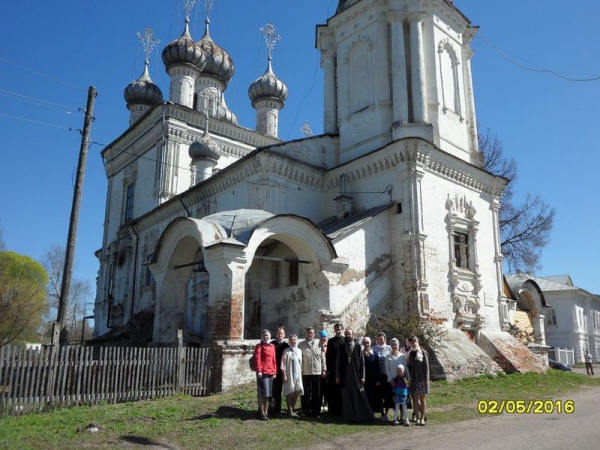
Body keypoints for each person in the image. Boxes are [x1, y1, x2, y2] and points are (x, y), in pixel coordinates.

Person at [336, 328, 373, 423]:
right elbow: (338, 362)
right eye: (346, 334)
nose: (348, 336)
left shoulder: (357, 347)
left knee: (356, 396)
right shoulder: (341, 347)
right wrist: (337, 376)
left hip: (355, 376)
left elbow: (362, 363)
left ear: (353, 335)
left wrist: (363, 376)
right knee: (346, 397)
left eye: (349, 334)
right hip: (345, 376)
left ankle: (357, 416)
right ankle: (348, 417)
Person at [298, 327, 326, 417]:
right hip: (305, 372)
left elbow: (322, 358)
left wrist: (324, 369)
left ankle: (316, 411)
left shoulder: (318, 344)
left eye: (312, 333)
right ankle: (305, 410)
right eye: (309, 333)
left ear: (314, 334)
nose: (310, 334)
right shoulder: (301, 345)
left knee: (316, 393)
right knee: (305, 392)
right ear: (306, 334)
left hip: (317, 372)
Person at [384, 338, 409, 423]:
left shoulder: (402, 356)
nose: (394, 346)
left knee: (403, 399)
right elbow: (387, 369)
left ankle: (403, 417)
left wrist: (409, 378)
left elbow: (405, 368)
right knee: (394, 401)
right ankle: (395, 418)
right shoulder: (387, 357)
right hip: (392, 382)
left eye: (396, 345)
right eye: (393, 345)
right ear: (390, 346)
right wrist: (391, 380)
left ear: (398, 346)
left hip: (402, 382)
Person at [253, 329, 277, 421]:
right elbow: (257, 359)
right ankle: (261, 413)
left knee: (268, 394)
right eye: (264, 335)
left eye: (267, 335)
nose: (266, 337)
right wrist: (259, 370)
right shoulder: (259, 346)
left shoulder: (272, 346)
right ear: (262, 337)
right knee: (262, 393)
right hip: (262, 373)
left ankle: (266, 412)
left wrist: (275, 372)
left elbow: (274, 360)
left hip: (270, 372)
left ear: (270, 336)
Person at [407, 335, 430, 425]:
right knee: (415, 399)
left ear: (417, 341)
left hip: (422, 379)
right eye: (411, 342)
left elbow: (426, 367)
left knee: (422, 399)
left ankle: (422, 418)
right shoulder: (409, 354)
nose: (413, 343)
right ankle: (416, 417)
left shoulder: (422, 352)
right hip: (413, 380)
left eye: (414, 341)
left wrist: (427, 380)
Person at [281, 334, 303, 417]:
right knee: (289, 392)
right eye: (291, 340)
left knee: (296, 391)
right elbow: (283, 364)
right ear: (289, 341)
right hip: (289, 374)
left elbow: (301, 363)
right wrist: (284, 374)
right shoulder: (286, 351)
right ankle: (289, 410)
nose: (293, 341)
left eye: (294, 340)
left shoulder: (299, 351)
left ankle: (292, 409)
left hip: (298, 374)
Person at [326, 322, 344, 416]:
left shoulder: (345, 340)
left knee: (341, 390)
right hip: (332, 369)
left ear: (342, 329)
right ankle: (332, 411)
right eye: (336, 329)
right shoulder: (331, 341)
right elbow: (328, 356)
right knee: (332, 390)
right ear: (334, 330)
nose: (338, 331)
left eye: (339, 329)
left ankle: (341, 410)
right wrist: (328, 369)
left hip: (342, 370)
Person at [373, 331, 392, 420]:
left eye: (382, 339)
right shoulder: (373, 349)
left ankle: (386, 413)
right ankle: (381, 412)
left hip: (387, 374)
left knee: (387, 395)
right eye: (378, 339)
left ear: (385, 340)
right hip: (378, 375)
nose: (380, 341)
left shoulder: (389, 348)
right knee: (379, 395)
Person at [270, 326, 289, 416]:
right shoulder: (271, 344)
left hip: (282, 371)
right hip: (273, 371)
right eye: (278, 333)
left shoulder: (286, 346)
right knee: (273, 391)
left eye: (281, 333)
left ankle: (278, 410)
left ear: (284, 334)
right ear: (275, 334)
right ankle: (271, 410)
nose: (280, 335)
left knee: (280, 391)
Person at [362, 337, 381, 417]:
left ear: (370, 343)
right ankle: (365, 413)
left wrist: (378, 380)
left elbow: (378, 367)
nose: (367, 344)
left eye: (368, 343)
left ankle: (372, 413)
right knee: (365, 396)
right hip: (364, 379)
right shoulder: (361, 354)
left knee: (373, 396)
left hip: (373, 380)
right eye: (365, 343)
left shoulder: (375, 354)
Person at [319, 330, 329, 413]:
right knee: (319, 388)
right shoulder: (317, 345)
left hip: (327, 369)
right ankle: (320, 404)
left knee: (326, 387)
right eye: (322, 336)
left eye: (324, 336)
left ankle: (326, 403)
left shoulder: (328, 345)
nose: (323, 338)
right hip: (319, 369)